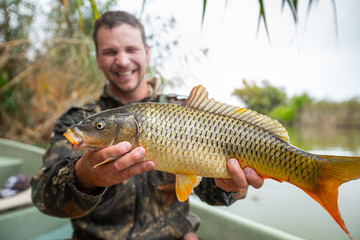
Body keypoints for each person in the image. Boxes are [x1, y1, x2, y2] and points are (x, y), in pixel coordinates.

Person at [31, 11, 264, 240]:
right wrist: (84, 177)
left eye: (131, 49)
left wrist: (231, 186)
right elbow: (44, 199)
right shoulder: (79, 121)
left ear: (147, 53)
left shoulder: (187, 112)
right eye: (110, 52)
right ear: (98, 59)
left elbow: (211, 193)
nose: (122, 61)